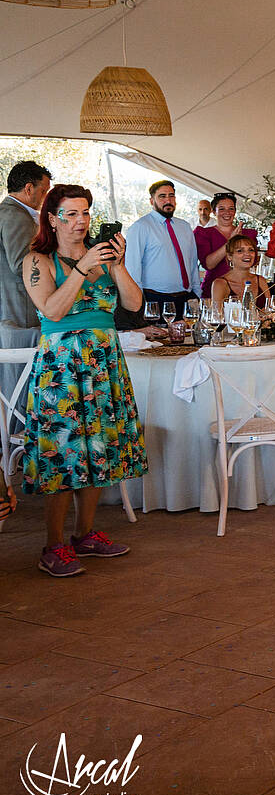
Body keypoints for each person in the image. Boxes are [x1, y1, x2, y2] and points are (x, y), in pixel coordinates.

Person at [21, 184, 147, 577]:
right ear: (53, 218)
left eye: (86, 213)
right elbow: (53, 310)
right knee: (63, 450)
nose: (80, 221)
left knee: (100, 444)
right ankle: (53, 544)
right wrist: (80, 267)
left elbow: (133, 304)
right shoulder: (37, 260)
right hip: (62, 367)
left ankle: (85, 534)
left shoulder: (104, 257)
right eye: (71, 214)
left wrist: (117, 263)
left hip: (104, 363)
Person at [119, 179, 199, 328]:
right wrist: (139, 305)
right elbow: (133, 269)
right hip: (154, 299)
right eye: (162, 196)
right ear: (152, 201)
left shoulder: (185, 226)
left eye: (171, 196)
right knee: (159, 347)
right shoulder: (140, 227)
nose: (168, 200)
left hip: (185, 299)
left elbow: (192, 263)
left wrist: (197, 295)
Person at [0, 160, 48, 350]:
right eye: (43, 191)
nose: (45, 197)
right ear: (29, 188)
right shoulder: (17, 216)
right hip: (18, 307)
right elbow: (22, 264)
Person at [194, 192, 257, 299]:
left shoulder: (248, 234)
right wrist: (231, 241)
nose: (227, 213)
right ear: (213, 212)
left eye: (231, 209)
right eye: (222, 209)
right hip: (214, 289)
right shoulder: (203, 233)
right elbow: (209, 264)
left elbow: (253, 262)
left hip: (244, 288)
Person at [210, 236, 272, 308]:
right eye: (240, 251)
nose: (247, 254)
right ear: (229, 256)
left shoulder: (261, 280)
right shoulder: (220, 284)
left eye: (251, 250)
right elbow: (216, 315)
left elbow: (269, 311)